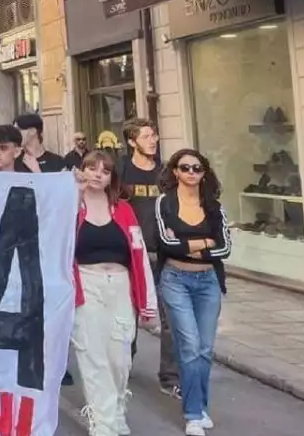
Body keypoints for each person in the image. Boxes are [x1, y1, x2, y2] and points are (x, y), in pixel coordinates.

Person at [71, 150, 157, 436]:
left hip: (120, 287)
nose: (97, 174)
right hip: (86, 286)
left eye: (104, 171)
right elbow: (56, 242)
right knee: (93, 357)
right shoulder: (72, 206)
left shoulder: (123, 209)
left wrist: (147, 304)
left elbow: (139, 254)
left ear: (111, 178)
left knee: (120, 359)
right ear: (81, 171)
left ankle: (116, 409)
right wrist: (74, 195)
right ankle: (103, 423)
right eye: (91, 168)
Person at [155, 149, 231, 436]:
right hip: (175, 279)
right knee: (188, 346)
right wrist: (205, 242)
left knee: (205, 349)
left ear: (203, 172)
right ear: (175, 171)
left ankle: (199, 406)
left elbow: (224, 249)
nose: (190, 173)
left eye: (196, 168)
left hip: (208, 282)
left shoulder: (214, 207)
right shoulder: (165, 203)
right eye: (184, 167)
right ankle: (193, 414)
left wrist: (189, 243)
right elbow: (165, 243)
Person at [119, 117, 179, 397]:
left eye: (154, 135)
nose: (152, 140)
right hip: (131, 255)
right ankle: (123, 363)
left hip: (163, 253)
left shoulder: (168, 173)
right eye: (145, 136)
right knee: (127, 314)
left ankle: (170, 377)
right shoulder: (121, 170)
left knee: (170, 317)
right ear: (132, 141)